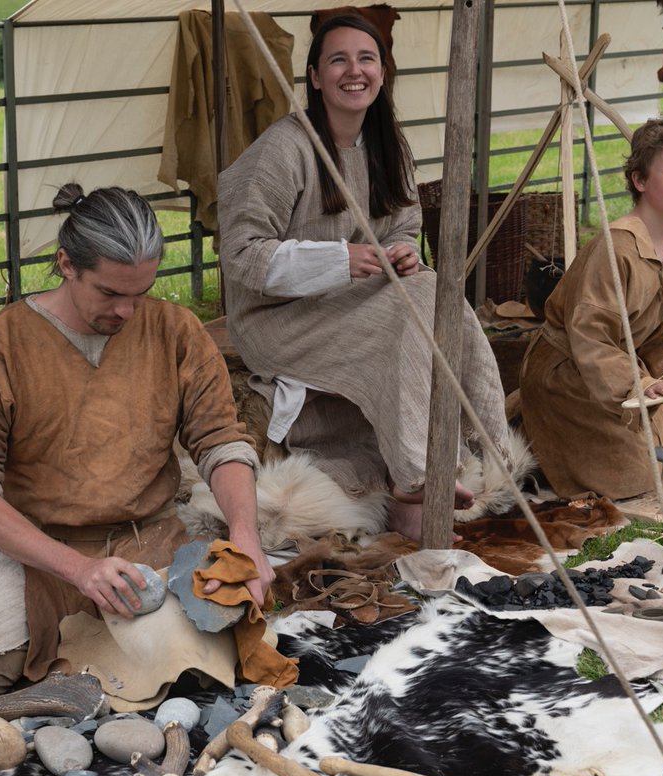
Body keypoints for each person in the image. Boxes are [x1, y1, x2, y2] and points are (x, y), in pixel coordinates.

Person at [0, 184, 274, 705]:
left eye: (141, 293)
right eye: (111, 294)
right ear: (66, 264)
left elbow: (221, 443)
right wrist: (77, 568)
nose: (129, 312)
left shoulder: (176, 331)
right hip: (42, 553)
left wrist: (247, 536)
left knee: (229, 653)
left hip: (149, 541)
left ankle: (94, 683)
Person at [217, 14, 512, 540]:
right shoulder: (284, 150)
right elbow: (241, 254)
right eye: (338, 60)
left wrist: (399, 254)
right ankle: (413, 474)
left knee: (433, 290)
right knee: (412, 308)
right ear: (313, 76)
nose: (354, 71)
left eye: (366, 59)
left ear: (382, 71)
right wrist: (339, 259)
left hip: (355, 300)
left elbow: (404, 223)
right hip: (278, 318)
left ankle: (480, 438)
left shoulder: (388, 145)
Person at [519, 115, 663, 499]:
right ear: (640, 180)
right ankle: (534, 429)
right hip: (571, 372)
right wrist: (639, 384)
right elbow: (590, 336)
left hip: (622, 371)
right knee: (636, 479)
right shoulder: (617, 248)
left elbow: (658, 333)